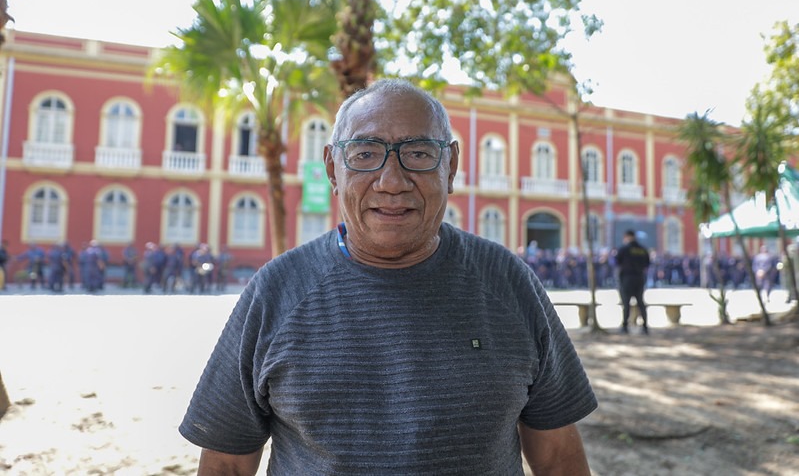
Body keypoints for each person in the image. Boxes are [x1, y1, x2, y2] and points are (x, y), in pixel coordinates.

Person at [179, 79, 597, 474]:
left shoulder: (509, 283)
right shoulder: (276, 292)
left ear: (450, 166)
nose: (392, 182)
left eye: (417, 153)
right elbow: (227, 464)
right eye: (364, 154)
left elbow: (558, 455)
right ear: (332, 168)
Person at [615, 229, 652, 334]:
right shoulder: (642, 249)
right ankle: (645, 327)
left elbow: (617, 261)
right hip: (639, 278)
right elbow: (647, 263)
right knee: (640, 302)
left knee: (626, 303)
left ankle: (625, 327)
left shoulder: (624, 248)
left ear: (626, 237)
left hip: (627, 278)